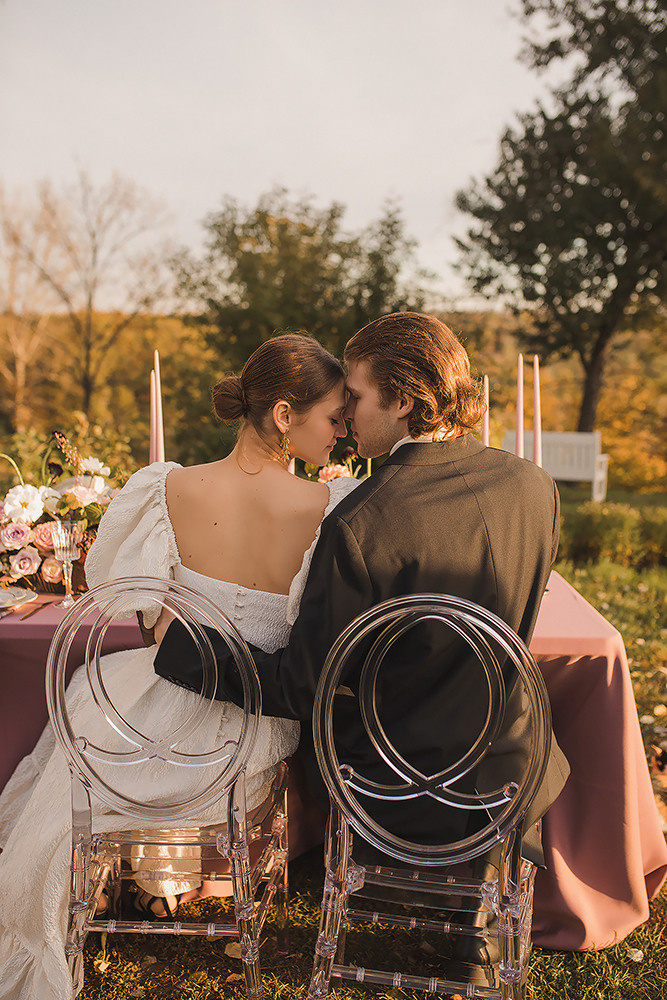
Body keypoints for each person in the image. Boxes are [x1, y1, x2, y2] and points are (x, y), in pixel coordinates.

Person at [155, 311, 570, 986]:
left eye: (354, 394)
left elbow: (302, 687)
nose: (346, 413)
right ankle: (477, 909)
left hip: (391, 781)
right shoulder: (533, 486)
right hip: (508, 765)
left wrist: (185, 650)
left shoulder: (361, 520)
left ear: (401, 400)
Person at [0, 333, 360, 1000]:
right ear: (285, 415)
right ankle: (157, 878)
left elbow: (132, 604)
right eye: (334, 417)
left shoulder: (165, 487)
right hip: (244, 735)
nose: (343, 431)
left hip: (142, 722)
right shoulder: (330, 507)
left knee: (89, 700)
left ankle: (127, 878)